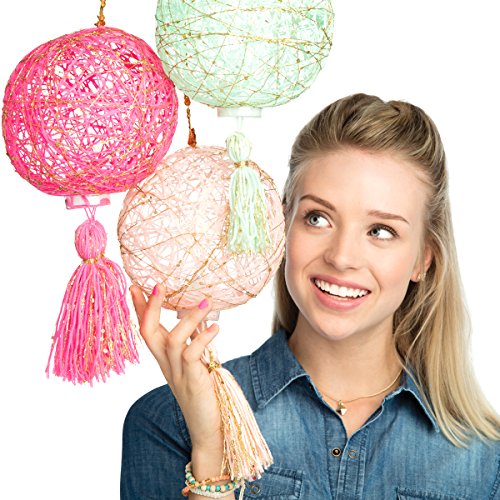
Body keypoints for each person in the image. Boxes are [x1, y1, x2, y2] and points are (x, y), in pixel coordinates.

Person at [120, 94, 500, 499]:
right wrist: (212, 451)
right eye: (318, 218)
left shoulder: (482, 461)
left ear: (423, 260)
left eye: (381, 231)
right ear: (281, 225)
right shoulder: (167, 421)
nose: (341, 257)